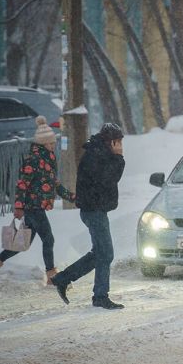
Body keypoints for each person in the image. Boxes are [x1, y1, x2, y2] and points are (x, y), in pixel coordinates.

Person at [0, 116, 76, 281]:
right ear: (43, 144)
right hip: (33, 207)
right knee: (49, 239)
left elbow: (55, 185)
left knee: (22, 242)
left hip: (38, 207)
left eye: (53, 143)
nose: (53, 146)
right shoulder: (33, 160)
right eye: (51, 143)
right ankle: (51, 275)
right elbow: (21, 184)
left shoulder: (49, 161)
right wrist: (19, 206)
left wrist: (72, 197)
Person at [51, 123, 126, 310]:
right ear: (112, 142)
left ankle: (62, 279)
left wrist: (116, 158)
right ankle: (100, 297)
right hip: (93, 211)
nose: (121, 146)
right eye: (119, 143)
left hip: (95, 210)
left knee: (98, 254)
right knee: (106, 254)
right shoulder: (96, 156)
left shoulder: (99, 153)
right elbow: (109, 179)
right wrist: (119, 158)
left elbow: (106, 180)